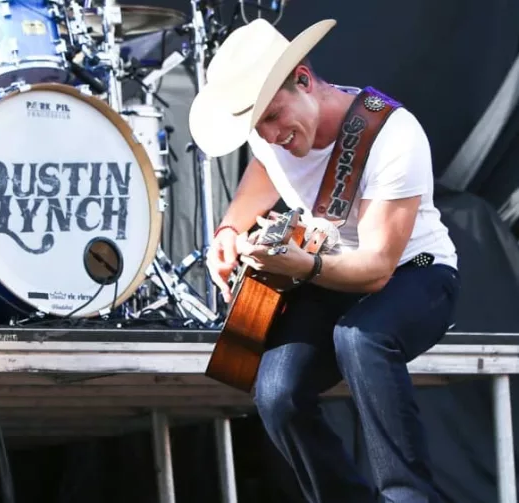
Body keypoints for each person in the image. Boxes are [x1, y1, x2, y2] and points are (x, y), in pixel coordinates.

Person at [188, 17, 461, 503]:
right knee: (276, 394)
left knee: (360, 338)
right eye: (258, 127)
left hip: (415, 273)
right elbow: (265, 168)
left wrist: (302, 267)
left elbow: (378, 268)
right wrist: (229, 232)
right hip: (326, 273)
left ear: (304, 79)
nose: (271, 135)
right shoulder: (269, 136)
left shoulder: (392, 133)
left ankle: (409, 497)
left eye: (274, 117)